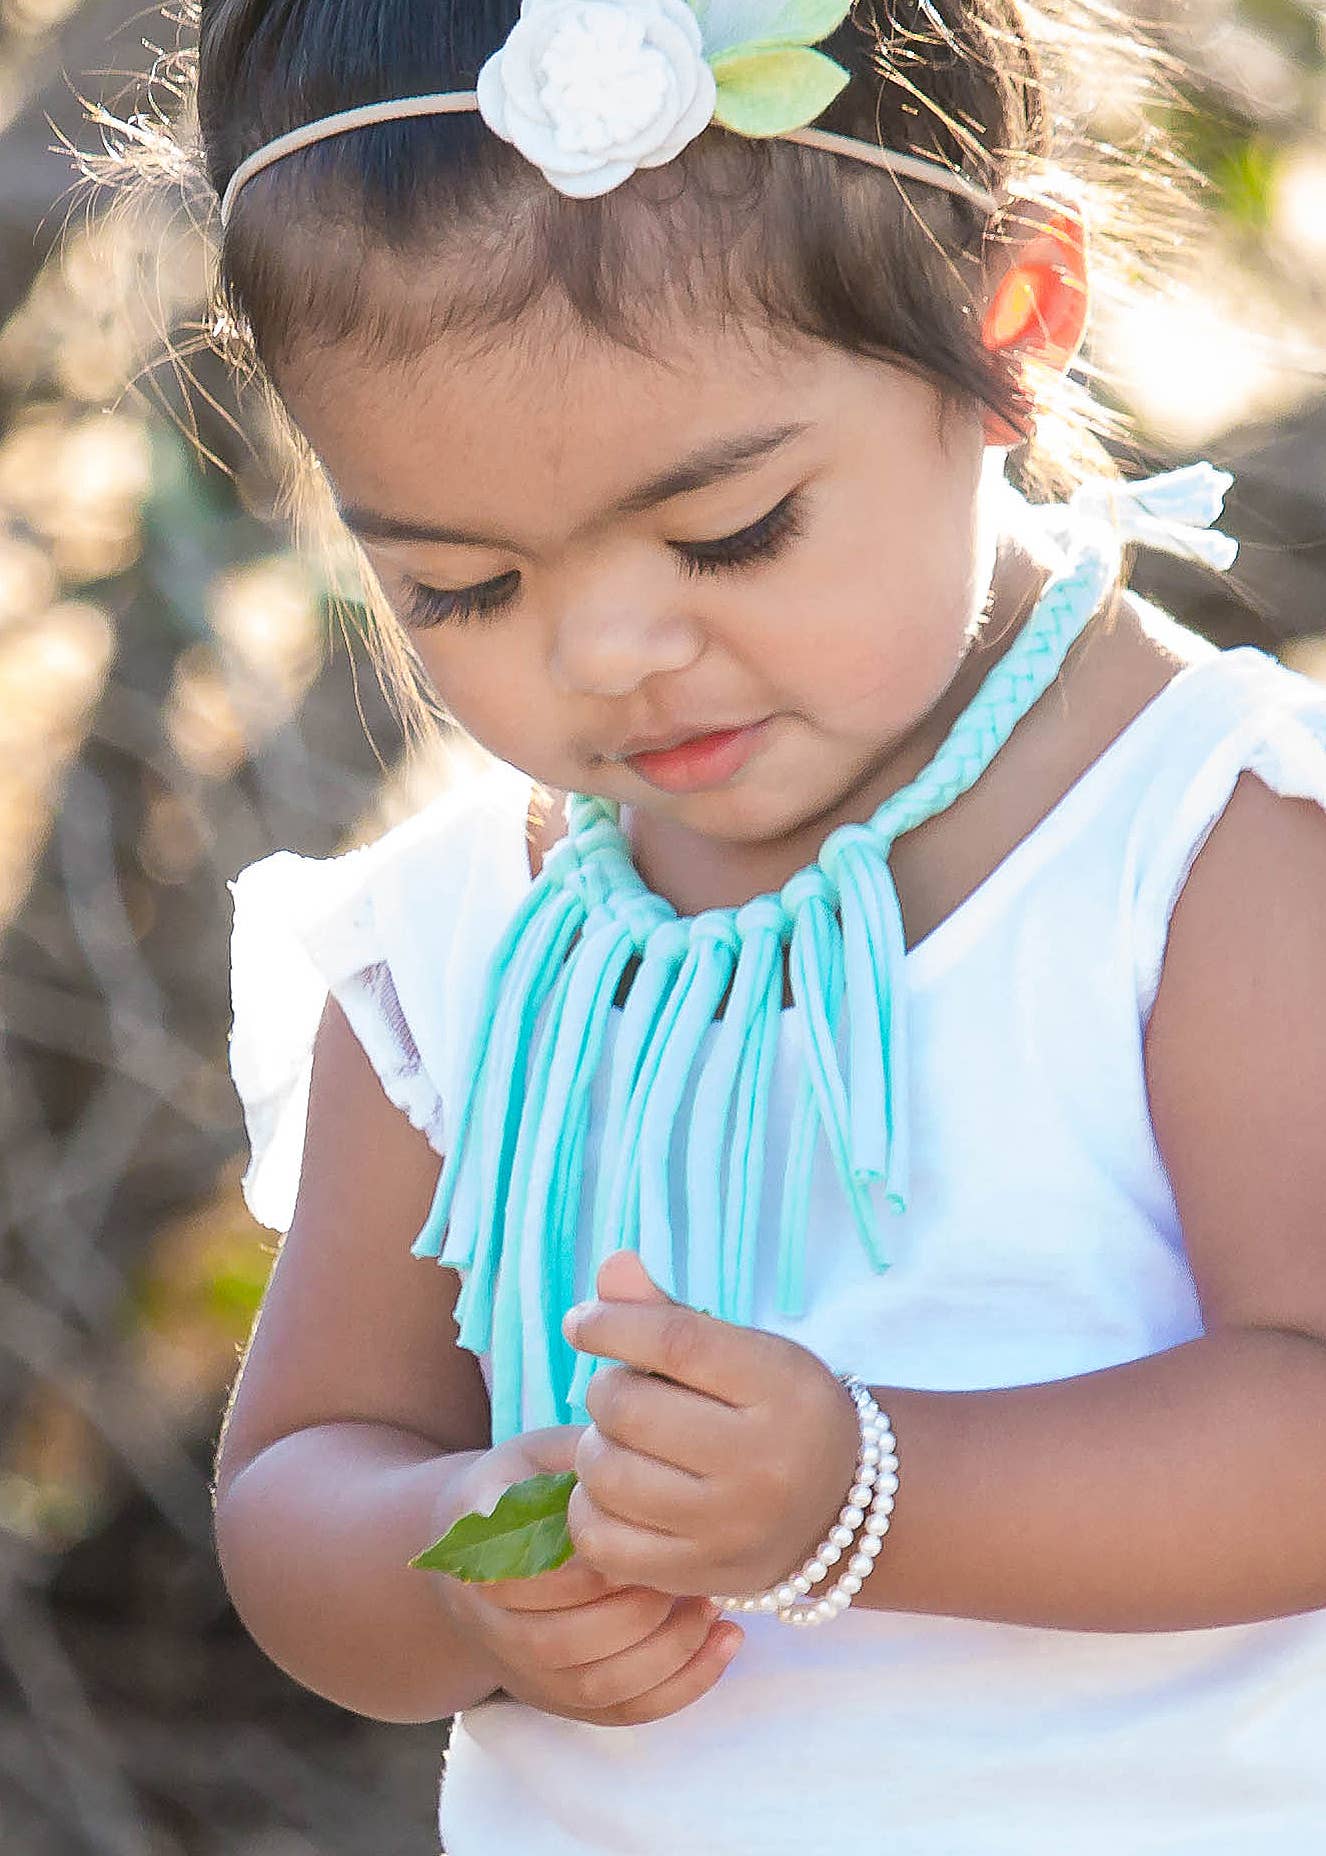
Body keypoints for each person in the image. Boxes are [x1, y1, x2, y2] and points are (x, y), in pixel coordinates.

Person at [131, 0, 1326, 1846]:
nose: (607, 654)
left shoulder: (1210, 844)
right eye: (462, 585)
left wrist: (867, 1494)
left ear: (1009, 324)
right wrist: (450, 1576)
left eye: (730, 533)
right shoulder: (466, 934)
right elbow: (303, 1472)